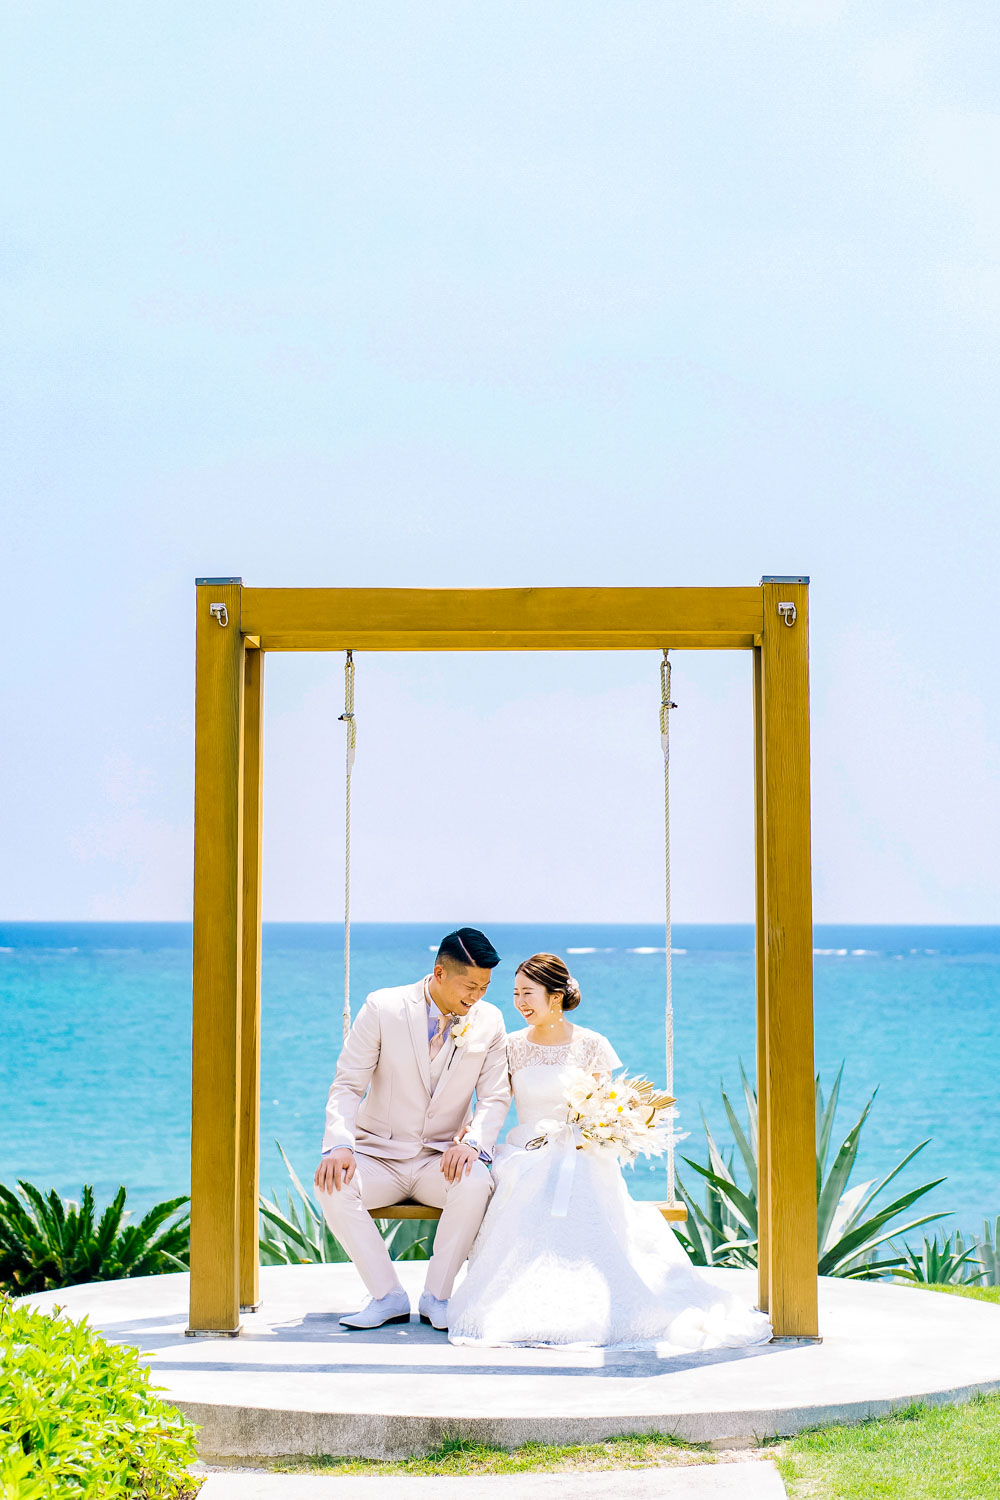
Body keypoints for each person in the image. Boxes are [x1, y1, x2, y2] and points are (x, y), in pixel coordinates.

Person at [447, 952, 772, 1350]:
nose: (519, 1002)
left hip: (581, 1148)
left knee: (579, 1175)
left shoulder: (591, 1044)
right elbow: (496, 1100)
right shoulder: (512, 1045)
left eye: (528, 993)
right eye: (515, 993)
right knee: (529, 1177)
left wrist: (595, 1132)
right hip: (527, 1149)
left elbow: (603, 1106)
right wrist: (472, 1133)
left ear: (555, 996)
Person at [314, 927, 510, 1331]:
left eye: (485, 988)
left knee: (476, 1182)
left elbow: (494, 1096)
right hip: (379, 1157)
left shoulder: (490, 1020)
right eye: (470, 986)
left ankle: (438, 1297)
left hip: (441, 1160)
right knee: (331, 1185)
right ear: (439, 973)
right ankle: (387, 1296)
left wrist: (473, 1143)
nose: (477, 996)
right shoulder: (383, 1007)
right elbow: (348, 1084)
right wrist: (339, 1145)